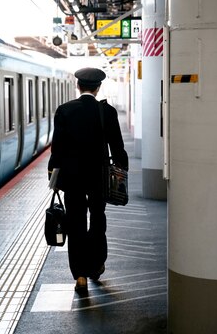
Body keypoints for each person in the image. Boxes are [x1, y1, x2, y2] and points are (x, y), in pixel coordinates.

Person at [48, 67, 128, 293]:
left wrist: (53, 174)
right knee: (98, 218)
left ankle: (80, 276)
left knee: (75, 223)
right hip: (99, 178)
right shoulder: (107, 112)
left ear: (78, 86)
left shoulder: (64, 111)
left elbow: (57, 149)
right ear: (98, 87)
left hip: (72, 178)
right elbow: (118, 147)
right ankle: (96, 265)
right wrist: (122, 169)